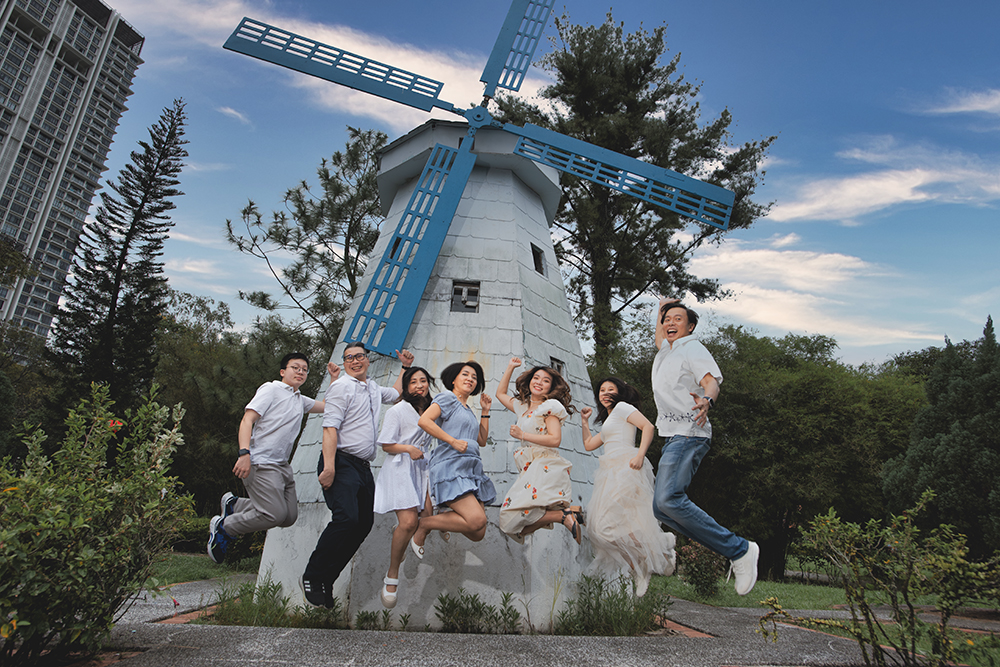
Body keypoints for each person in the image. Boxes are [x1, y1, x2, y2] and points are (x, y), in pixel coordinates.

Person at [652, 299, 759, 595]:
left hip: (689, 432)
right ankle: (734, 550)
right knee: (661, 509)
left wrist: (708, 400)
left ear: (690, 327)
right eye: (667, 320)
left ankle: (739, 550)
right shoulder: (666, 351)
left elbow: (711, 382)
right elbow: (660, 335)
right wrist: (661, 310)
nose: (670, 323)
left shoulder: (692, 348)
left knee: (669, 499)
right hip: (673, 435)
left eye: (678, 319)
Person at [301, 343, 415, 607]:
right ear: (344, 363)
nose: (355, 361)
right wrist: (329, 466)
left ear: (367, 360)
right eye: (349, 358)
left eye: (359, 356)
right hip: (340, 461)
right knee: (346, 518)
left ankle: (326, 579)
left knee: (363, 524)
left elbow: (396, 393)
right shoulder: (341, 387)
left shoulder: (372, 388)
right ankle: (313, 575)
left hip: (362, 467)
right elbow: (330, 427)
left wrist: (405, 367)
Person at [207, 353, 338, 564]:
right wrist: (244, 453)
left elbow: (326, 406)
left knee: (288, 517)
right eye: (296, 367)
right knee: (274, 515)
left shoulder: (299, 399)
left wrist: (333, 379)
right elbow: (247, 420)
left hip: (282, 466)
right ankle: (225, 527)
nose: (301, 372)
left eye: (304, 369)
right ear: (282, 371)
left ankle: (235, 505)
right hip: (261, 462)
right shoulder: (271, 389)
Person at [581, 377, 675, 596]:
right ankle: (649, 555)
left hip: (626, 466)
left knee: (609, 524)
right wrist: (584, 422)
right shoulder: (609, 420)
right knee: (601, 528)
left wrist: (640, 455)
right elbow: (589, 445)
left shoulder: (623, 408)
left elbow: (647, 426)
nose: (605, 393)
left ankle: (651, 555)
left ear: (620, 392)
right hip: (609, 470)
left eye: (610, 389)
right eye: (602, 390)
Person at [373, 365, 441, 609]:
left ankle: (401, 533)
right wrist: (409, 448)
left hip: (423, 468)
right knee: (410, 522)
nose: (419, 386)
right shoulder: (398, 410)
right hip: (401, 467)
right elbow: (386, 445)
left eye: (423, 380)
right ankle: (392, 575)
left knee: (428, 518)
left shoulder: (433, 409)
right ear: (406, 387)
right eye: (413, 382)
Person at [495, 357, 583, 544]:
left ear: (551, 387)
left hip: (544, 465)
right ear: (529, 381)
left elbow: (555, 439)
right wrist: (510, 367)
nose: (539, 382)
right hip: (529, 467)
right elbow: (500, 394)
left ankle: (563, 516)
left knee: (510, 515)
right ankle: (563, 515)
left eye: (545, 380)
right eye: (536, 378)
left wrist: (522, 435)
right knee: (512, 526)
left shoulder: (549, 408)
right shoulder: (523, 407)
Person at [416, 360, 495, 543]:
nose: (470, 379)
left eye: (474, 377)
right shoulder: (448, 398)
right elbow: (424, 421)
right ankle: (424, 524)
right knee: (477, 520)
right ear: (454, 379)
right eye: (465, 374)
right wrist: (452, 441)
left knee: (478, 532)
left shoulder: (467, 410)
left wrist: (485, 411)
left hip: (470, 469)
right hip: (452, 466)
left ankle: (443, 518)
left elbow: (481, 440)